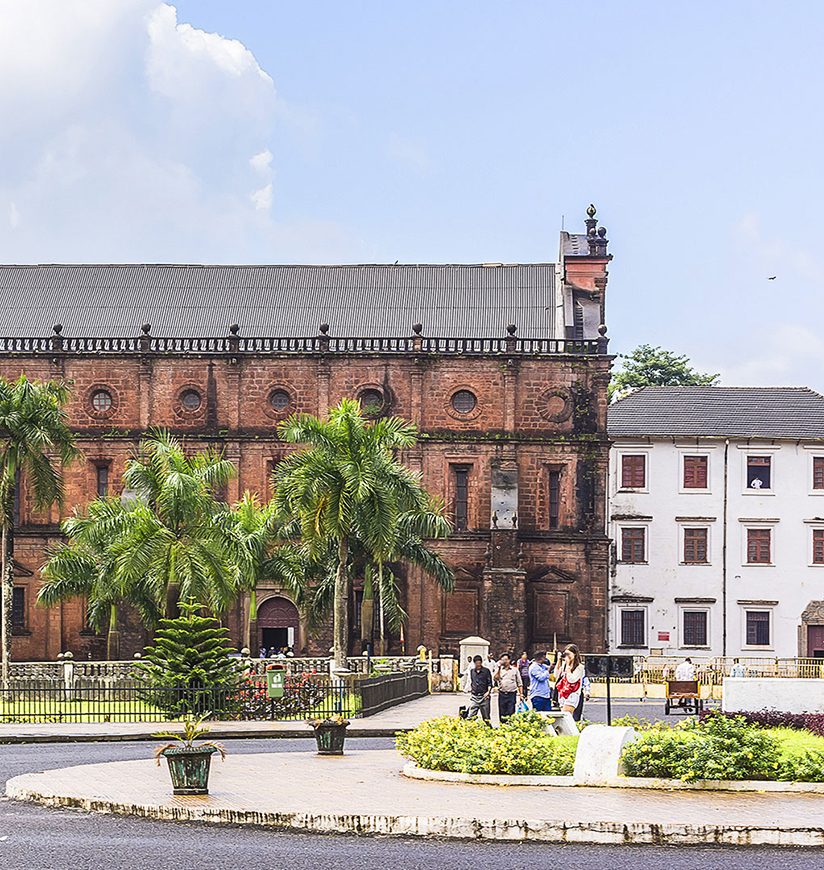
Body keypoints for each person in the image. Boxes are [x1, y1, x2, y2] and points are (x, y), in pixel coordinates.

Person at [554, 644, 585, 715]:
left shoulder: (579, 667)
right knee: (564, 717)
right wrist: (559, 661)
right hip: (563, 693)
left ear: (575, 654)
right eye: (565, 654)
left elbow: (572, 680)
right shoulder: (565, 664)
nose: (567, 656)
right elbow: (556, 675)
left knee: (566, 717)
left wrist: (568, 667)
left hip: (572, 694)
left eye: (569, 654)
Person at [494, 653, 523, 722]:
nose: (504, 661)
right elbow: (495, 678)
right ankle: (502, 726)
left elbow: (519, 683)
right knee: (502, 712)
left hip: (511, 693)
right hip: (502, 693)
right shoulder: (499, 670)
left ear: (509, 660)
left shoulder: (514, 670)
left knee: (511, 711)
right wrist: (499, 668)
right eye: (502, 660)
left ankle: (510, 726)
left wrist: (521, 694)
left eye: (506, 659)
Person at [465, 655, 493, 723]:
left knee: (486, 718)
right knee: (470, 716)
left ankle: (488, 730)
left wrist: (488, 692)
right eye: (477, 663)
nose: (478, 664)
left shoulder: (486, 671)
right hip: (475, 696)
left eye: (479, 663)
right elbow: (472, 681)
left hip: (484, 696)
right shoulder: (472, 671)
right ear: (474, 663)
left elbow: (490, 683)